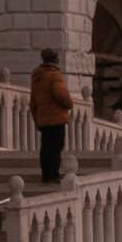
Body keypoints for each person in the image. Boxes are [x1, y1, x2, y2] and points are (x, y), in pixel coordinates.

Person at [29, 48, 73, 185]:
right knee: (55, 148)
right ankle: (53, 175)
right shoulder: (54, 75)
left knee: (46, 148)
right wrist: (69, 103)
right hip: (56, 118)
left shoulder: (37, 77)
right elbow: (61, 95)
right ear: (55, 59)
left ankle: (46, 175)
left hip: (44, 119)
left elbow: (33, 102)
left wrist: (37, 119)